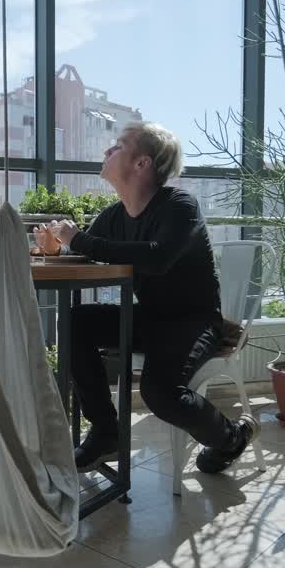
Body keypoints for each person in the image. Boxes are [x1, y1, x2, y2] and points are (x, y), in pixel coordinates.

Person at [40, 121, 258, 474]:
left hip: (192, 322)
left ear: (141, 163)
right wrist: (55, 247)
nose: (106, 152)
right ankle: (106, 430)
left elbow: (156, 257)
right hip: (149, 318)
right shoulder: (114, 215)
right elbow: (90, 252)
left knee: (161, 393)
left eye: (117, 146)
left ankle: (233, 437)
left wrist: (77, 240)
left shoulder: (179, 205)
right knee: (76, 322)